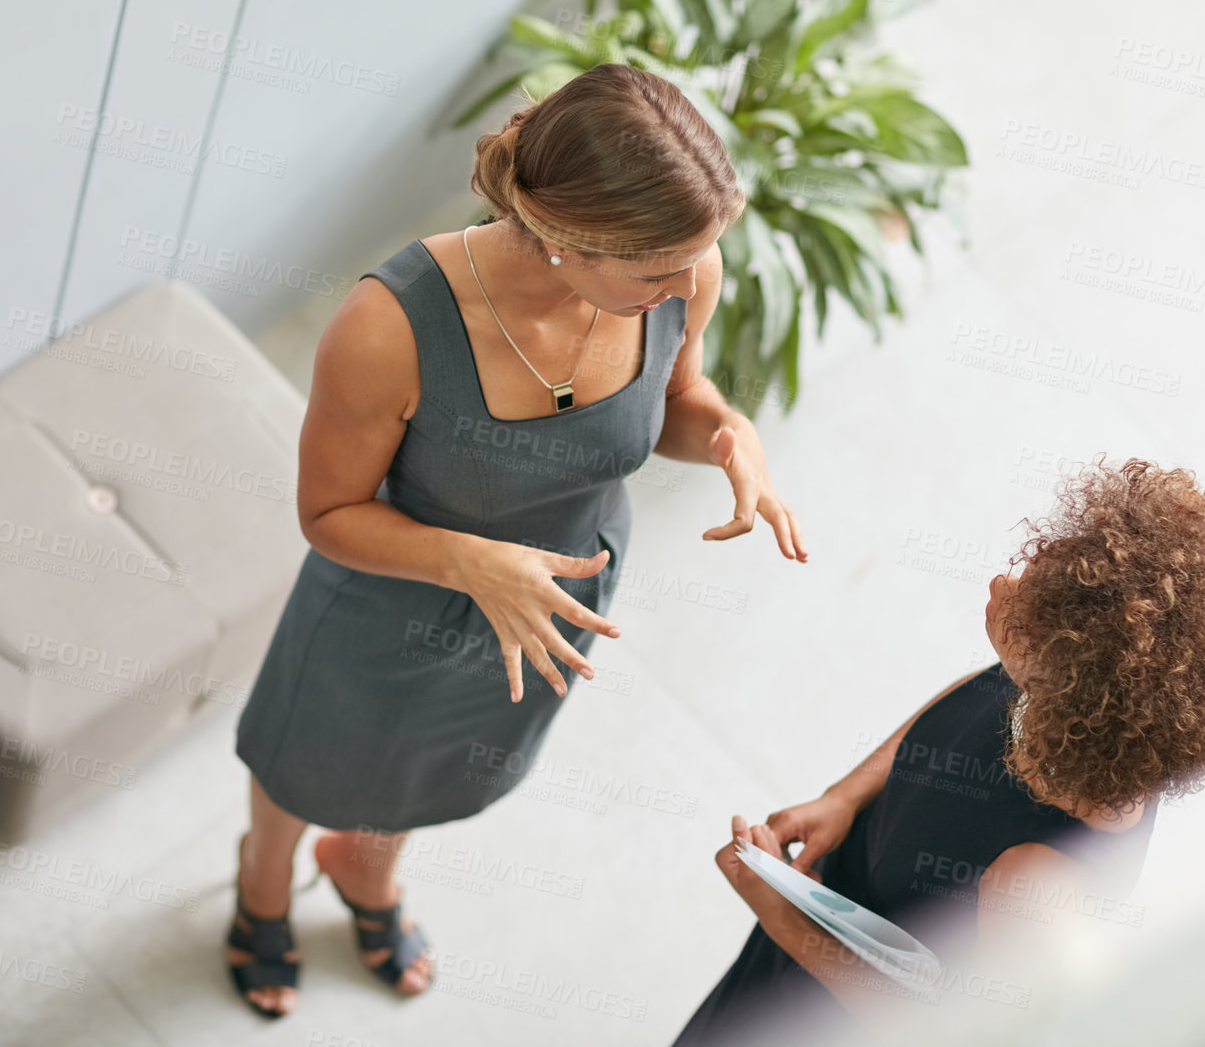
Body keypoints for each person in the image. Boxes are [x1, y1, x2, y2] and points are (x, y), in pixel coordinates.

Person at [224, 62, 810, 1017]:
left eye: (691, 262)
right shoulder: (389, 327)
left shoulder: (681, 271)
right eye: (655, 270)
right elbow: (326, 515)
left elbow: (669, 403)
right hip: (390, 597)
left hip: (552, 603)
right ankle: (264, 881)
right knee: (308, 761)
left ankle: (364, 872)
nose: (683, 286)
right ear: (564, 239)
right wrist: (468, 561)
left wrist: (729, 437)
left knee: (435, 767)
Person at [676, 457, 1205, 1046]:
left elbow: (943, 1034)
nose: (1005, 584)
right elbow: (963, 706)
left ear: (1067, 695)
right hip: (812, 920)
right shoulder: (1069, 703)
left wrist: (783, 919)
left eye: (1029, 614)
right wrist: (845, 797)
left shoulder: (1039, 884)